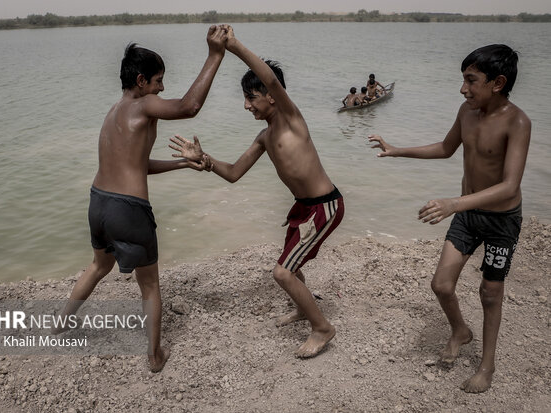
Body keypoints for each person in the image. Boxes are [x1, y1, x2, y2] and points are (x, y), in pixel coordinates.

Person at [52, 26, 228, 373]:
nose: (162, 88)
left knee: (99, 266)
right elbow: (189, 106)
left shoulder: (113, 113)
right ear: (142, 80)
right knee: (149, 286)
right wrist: (214, 55)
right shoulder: (146, 104)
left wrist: (182, 163)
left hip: (98, 203)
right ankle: (153, 355)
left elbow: (136, 165)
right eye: (159, 80)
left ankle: (60, 324)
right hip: (128, 210)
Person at [170, 25, 344, 358]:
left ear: (271, 97)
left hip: (325, 206)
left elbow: (274, 80)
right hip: (304, 208)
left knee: (282, 272)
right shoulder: (265, 137)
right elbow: (234, 173)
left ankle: (322, 328)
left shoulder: (293, 119)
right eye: (246, 98)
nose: (246, 105)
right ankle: (302, 308)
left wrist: (232, 45)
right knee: (292, 263)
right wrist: (204, 159)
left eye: (251, 97)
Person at [369, 44, 530, 393]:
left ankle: (486, 366)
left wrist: (454, 203)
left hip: (501, 221)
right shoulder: (466, 112)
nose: (463, 89)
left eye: (471, 81)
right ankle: (460, 330)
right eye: (463, 80)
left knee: (490, 292)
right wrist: (397, 149)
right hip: (468, 214)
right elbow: (445, 149)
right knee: (441, 285)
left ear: (498, 82)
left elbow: (509, 186)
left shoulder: (517, 122)